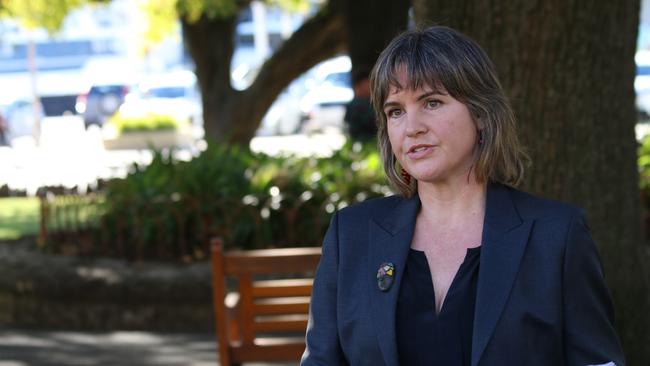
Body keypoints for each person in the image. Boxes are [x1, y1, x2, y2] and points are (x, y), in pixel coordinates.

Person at [301, 26, 625, 366]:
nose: (412, 127)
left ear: (482, 114)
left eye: (432, 102)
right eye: (395, 110)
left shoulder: (557, 236)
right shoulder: (351, 235)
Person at [344, 70, 377, 141]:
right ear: (358, 87)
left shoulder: (368, 102)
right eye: (366, 85)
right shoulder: (356, 104)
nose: (369, 88)